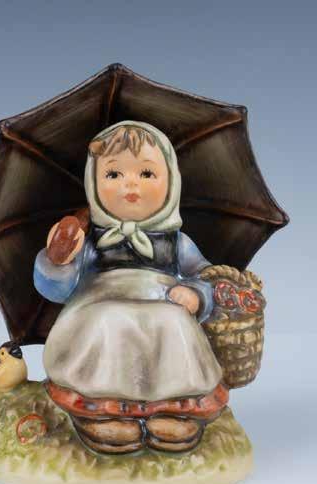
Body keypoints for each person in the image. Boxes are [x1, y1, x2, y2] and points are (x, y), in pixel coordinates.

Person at [33, 121, 227, 454]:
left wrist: (196, 294)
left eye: (147, 174)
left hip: (162, 304)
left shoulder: (177, 243)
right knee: (109, 319)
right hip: (99, 304)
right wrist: (58, 260)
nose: (130, 184)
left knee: (174, 322)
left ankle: (173, 411)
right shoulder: (88, 240)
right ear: (93, 184)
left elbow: (208, 276)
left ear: (171, 181)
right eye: (113, 174)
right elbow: (56, 290)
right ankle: (103, 413)